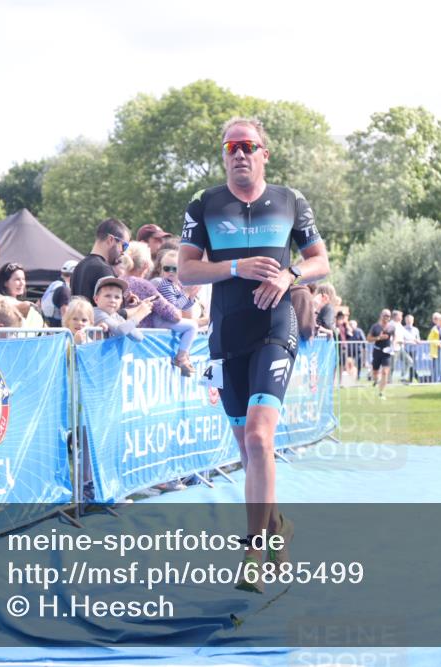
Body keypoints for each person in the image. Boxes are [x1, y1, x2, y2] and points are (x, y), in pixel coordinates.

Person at [178, 117, 329, 593]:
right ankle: (277, 524)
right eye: (231, 146)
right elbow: (185, 272)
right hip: (226, 334)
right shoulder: (204, 204)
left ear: (265, 153)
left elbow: (321, 260)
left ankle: (253, 552)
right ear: (224, 155)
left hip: (274, 328)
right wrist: (237, 266)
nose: (240, 153)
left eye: (249, 146)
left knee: (262, 439)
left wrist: (290, 276)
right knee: (247, 448)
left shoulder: (290, 201)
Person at [146, 247, 199, 376]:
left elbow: (184, 307)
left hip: (168, 321)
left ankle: (183, 355)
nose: (170, 272)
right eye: (167, 268)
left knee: (192, 325)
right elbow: (174, 309)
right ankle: (181, 357)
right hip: (161, 320)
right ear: (161, 269)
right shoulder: (162, 283)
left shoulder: (176, 286)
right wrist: (186, 294)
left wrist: (191, 296)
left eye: (174, 269)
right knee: (192, 326)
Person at [71, 218, 130, 302]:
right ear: (110, 240)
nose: (123, 252)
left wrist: (124, 300)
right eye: (124, 246)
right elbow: (110, 313)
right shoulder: (103, 269)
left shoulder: (79, 266)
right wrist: (139, 310)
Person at [41, 260, 77, 327]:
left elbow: (39, 303)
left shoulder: (53, 285)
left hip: (47, 326)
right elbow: (65, 312)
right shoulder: (65, 290)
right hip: (57, 329)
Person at [368, 309, 395, 398]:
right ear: (381, 315)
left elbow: (395, 337)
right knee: (375, 372)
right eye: (385, 315)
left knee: (385, 372)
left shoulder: (391, 327)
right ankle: (376, 380)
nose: (387, 317)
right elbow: (368, 339)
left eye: (388, 316)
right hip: (377, 351)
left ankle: (381, 392)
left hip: (387, 352)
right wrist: (379, 338)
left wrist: (393, 345)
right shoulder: (375, 327)